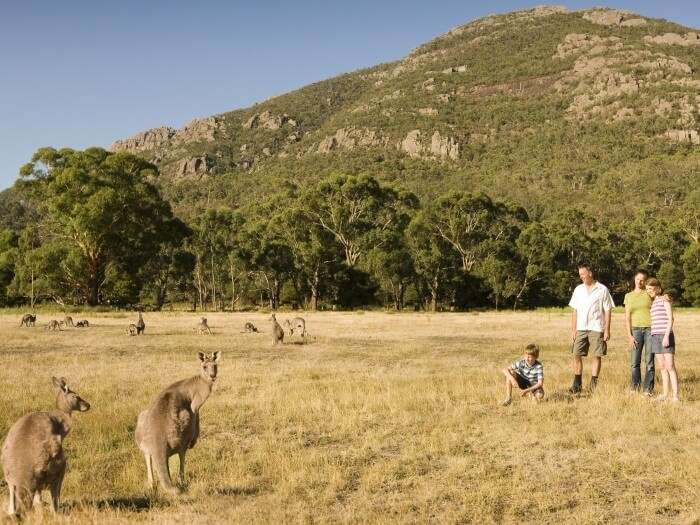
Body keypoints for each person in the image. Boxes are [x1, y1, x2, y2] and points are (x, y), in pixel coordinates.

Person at [568, 263, 614, 394]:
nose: (581, 277)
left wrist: (607, 329)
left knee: (596, 355)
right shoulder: (578, 289)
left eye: (583, 274)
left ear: (590, 273)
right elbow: (574, 311)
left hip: (596, 327)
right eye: (580, 275)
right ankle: (577, 384)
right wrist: (573, 329)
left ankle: (593, 384)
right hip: (581, 327)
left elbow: (608, 310)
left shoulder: (602, 289)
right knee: (576, 354)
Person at [647, 278, 679, 402]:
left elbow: (671, 319)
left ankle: (675, 396)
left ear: (657, 288)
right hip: (655, 336)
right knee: (662, 366)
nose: (649, 291)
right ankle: (665, 394)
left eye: (651, 288)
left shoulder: (665, 299)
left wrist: (666, 336)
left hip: (666, 335)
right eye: (648, 289)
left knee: (670, 366)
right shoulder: (653, 302)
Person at [624, 269, 654, 394]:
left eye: (642, 280)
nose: (640, 282)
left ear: (645, 281)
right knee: (634, 362)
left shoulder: (649, 294)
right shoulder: (628, 296)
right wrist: (629, 335)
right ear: (634, 279)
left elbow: (659, 297)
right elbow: (627, 318)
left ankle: (648, 389)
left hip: (650, 330)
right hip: (635, 331)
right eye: (638, 279)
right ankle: (635, 387)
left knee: (649, 362)